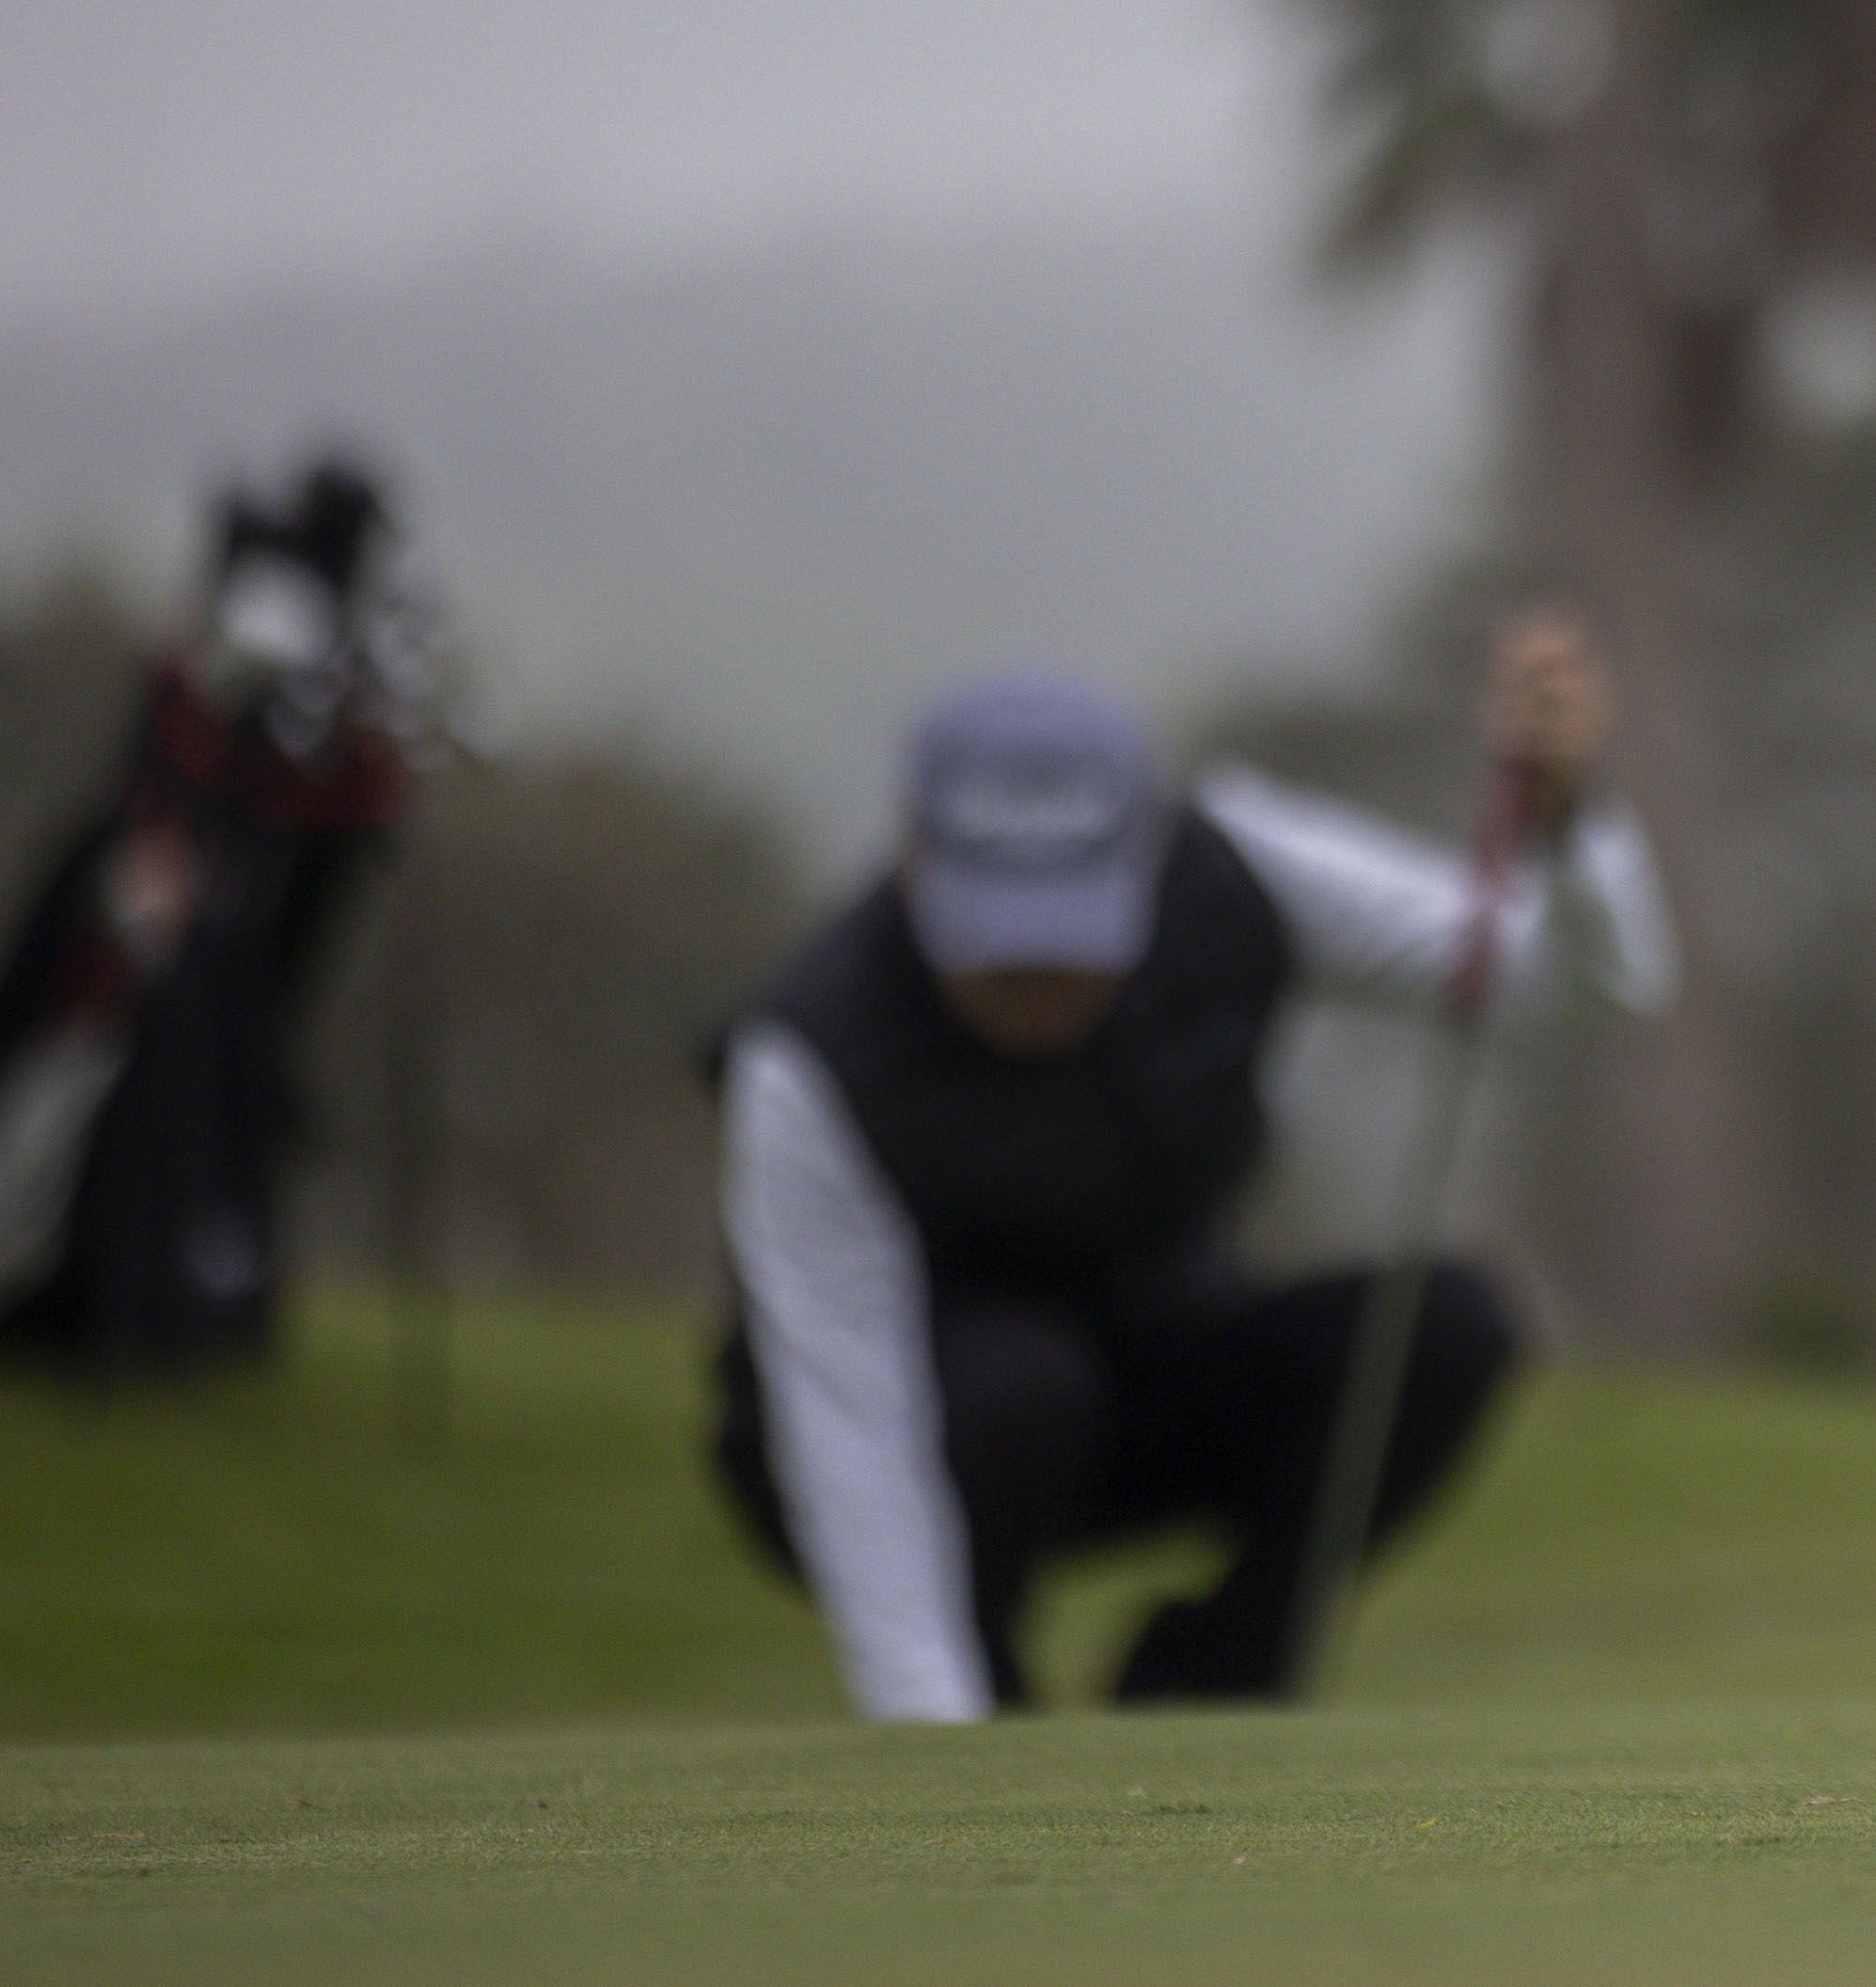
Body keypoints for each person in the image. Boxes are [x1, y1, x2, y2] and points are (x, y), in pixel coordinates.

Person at [709, 611, 1668, 1718]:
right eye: (998, 943)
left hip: (1149, 1373)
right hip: (933, 1426)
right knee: (1022, 1388)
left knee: (1448, 1324)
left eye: (1068, 938)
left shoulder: (1237, 869)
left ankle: (1208, 1694)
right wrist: (936, 1725)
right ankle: (999, 1711)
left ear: (1148, 849)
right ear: (914, 861)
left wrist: (1573, 825)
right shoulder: (809, 1051)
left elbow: (1577, 989)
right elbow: (848, 1420)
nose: (1038, 987)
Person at [0, 455, 425, 1370]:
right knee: (78, 1099)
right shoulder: (232, 647)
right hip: (138, 934)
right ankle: (63, 1304)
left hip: (207, 938)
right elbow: (175, 781)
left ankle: (156, 1307)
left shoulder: (269, 643)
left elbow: (325, 805)